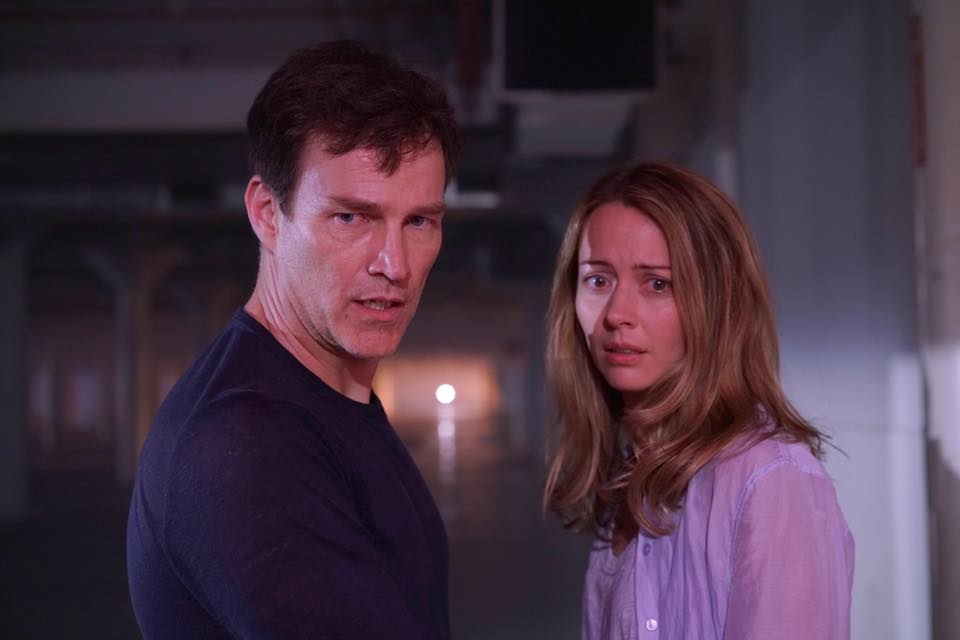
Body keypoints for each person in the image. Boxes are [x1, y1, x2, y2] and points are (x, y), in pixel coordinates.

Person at [126, 41, 460, 639]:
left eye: (419, 221)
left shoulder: (327, 401)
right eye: (351, 217)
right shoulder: (247, 443)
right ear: (267, 213)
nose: (395, 264)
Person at [543, 162, 854, 639]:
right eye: (599, 281)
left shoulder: (770, 481)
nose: (617, 314)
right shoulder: (626, 477)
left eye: (658, 284)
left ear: (717, 303)